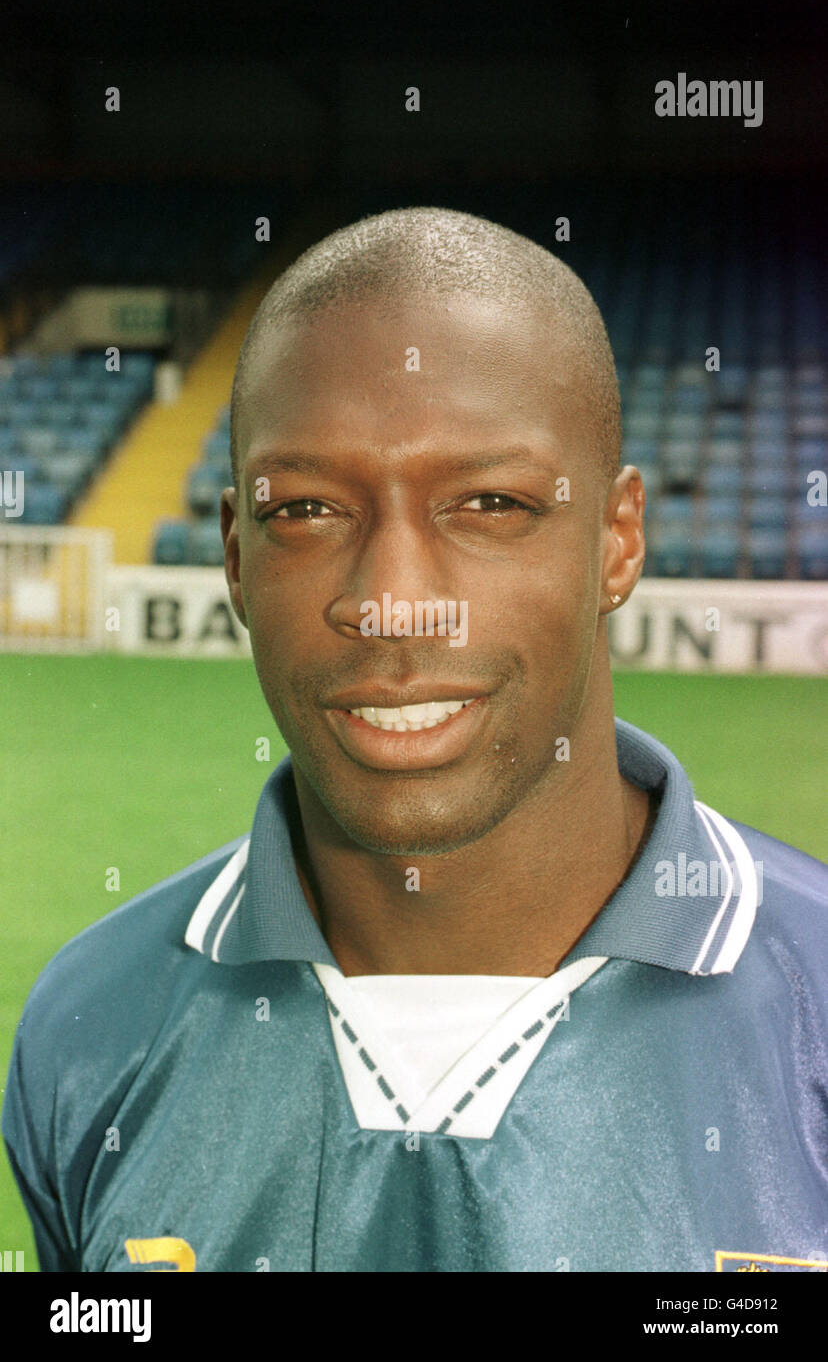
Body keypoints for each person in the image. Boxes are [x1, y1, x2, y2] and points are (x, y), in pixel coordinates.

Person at [4, 208, 827, 1273]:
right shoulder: (90, 1024)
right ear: (235, 557)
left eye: (489, 502)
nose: (394, 605)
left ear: (617, 540)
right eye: (305, 509)